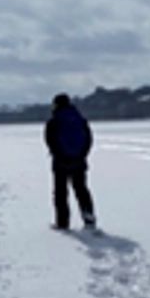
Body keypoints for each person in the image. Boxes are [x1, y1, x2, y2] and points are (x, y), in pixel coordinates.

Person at [46, 92, 98, 230]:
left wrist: (59, 155)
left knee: (60, 193)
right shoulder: (80, 120)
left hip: (60, 162)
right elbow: (88, 140)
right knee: (81, 190)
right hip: (79, 161)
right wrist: (82, 155)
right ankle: (89, 219)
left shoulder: (54, 121)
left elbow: (50, 141)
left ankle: (62, 223)